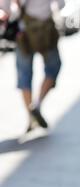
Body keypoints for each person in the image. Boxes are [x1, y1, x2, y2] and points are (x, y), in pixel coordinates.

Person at [0, 0, 65, 132]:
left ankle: (30, 117)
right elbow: (60, 4)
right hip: (45, 30)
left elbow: (5, 10)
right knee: (53, 67)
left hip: (23, 32)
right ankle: (37, 104)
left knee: (24, 75)